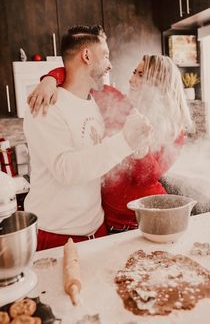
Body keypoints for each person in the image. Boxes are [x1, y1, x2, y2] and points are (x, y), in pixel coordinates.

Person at [28, 54, 192, 234]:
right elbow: (82, 76)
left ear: (158, 83)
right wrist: (50, 79)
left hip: (151, 218)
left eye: (140, 75)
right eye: (133, 72)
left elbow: (146, 177)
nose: (131, 80)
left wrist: (140, 148)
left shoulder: (176, 131)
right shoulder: (117, 102)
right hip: (110, 222)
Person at [24, 25, 152, 250]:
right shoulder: (46, 105)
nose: (110, 64)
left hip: (97, 230)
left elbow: (97, 158)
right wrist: (124, 142)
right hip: (56, 235)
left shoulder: (95, 101)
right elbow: (66, 169)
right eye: (105, 55)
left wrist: (136, 148)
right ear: (86, 55)